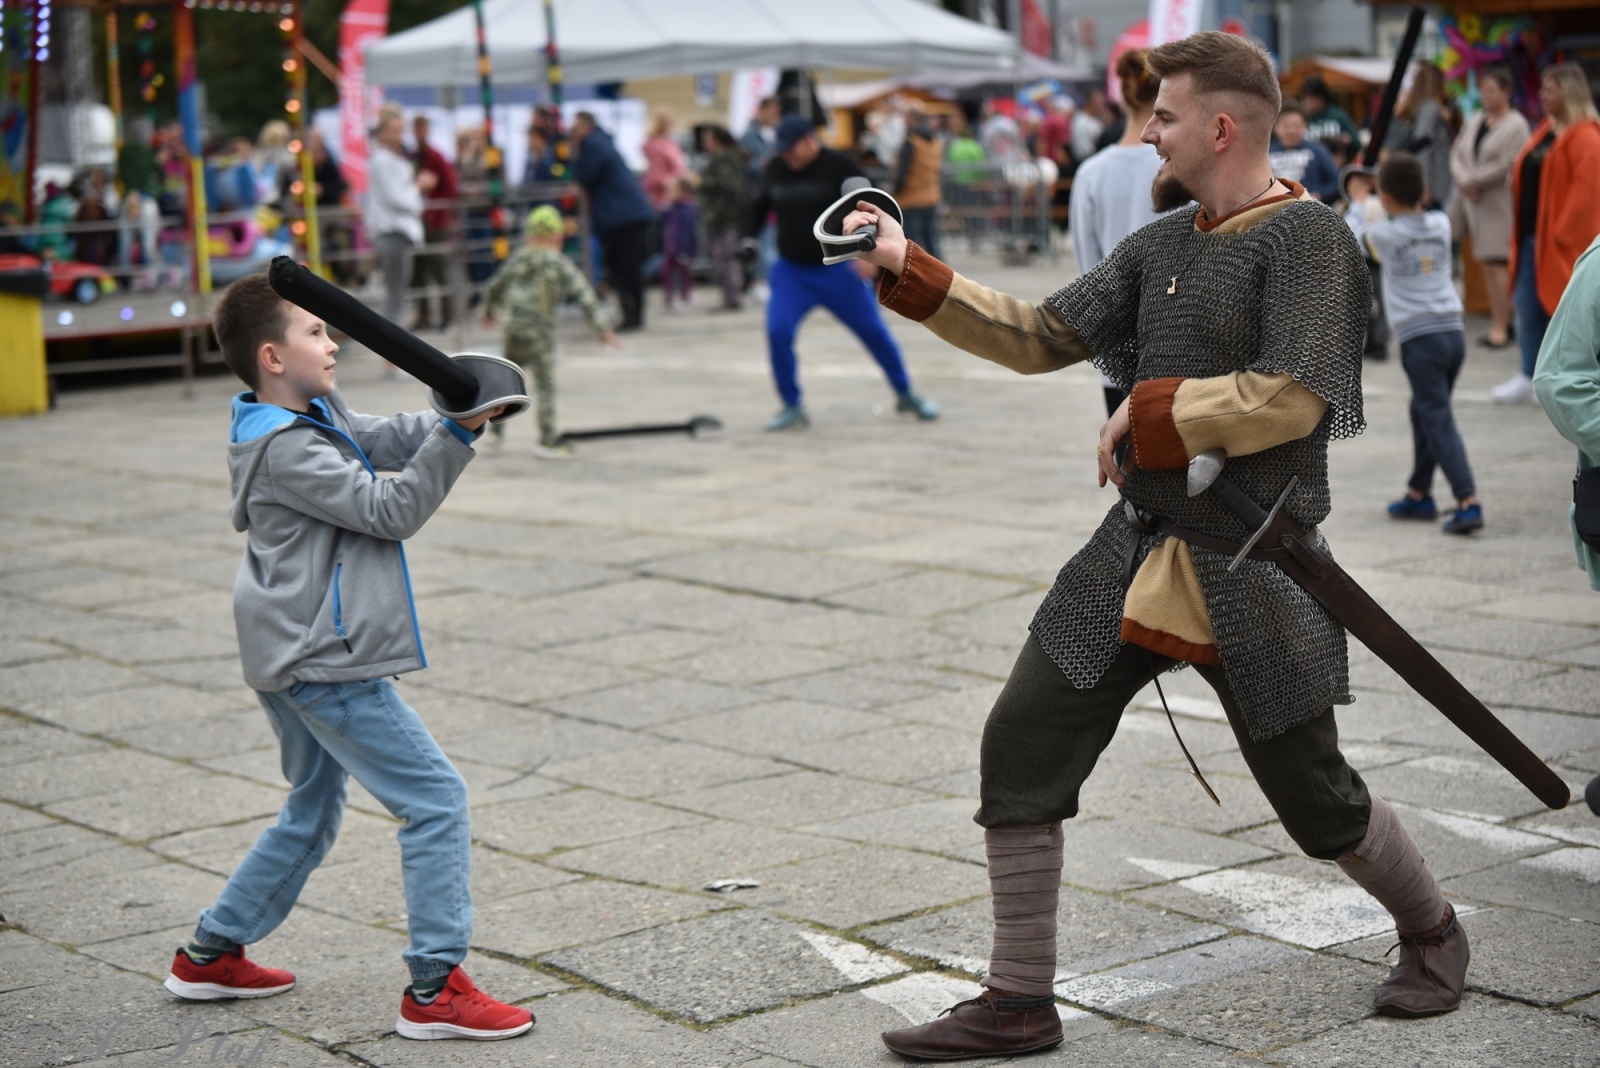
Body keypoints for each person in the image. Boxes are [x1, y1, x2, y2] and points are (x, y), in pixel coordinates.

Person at [846, 32, 1467, 1060]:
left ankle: (1433, 931)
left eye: (1164, 116)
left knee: (1318, 800)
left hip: (1251, 559)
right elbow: (1043, 331)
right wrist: (911, 271)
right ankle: (1017, 1000)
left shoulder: (1309, 240)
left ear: (1219, 126)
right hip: (1135, 550)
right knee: (1021, 743)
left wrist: (1150, 410)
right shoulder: (1165, 238)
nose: (1146, 131)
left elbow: (1294, 395)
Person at [163, 273, 531, 1041]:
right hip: (323, 658)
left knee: (312, 808)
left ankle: (211, 950)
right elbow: (387, 511)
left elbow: (382, 437)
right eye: (315, 333)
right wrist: (458, 438)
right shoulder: (284, 449)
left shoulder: (310, 414)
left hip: (288, 648)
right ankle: (434, 991)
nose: (332, 343)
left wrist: (453, 403)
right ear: (272, 356)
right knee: (435, 800)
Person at [747, 114, 938, 431]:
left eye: (791, 148)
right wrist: (747, 238)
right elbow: (757, 208)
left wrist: (869, 252)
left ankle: (906, 393)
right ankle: (791, 406)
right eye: (782, 150)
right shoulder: (776, 169)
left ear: (810, 140)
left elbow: (871, 208)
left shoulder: (840, 166)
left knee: (874, 333)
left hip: (839, 271)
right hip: (792, 271)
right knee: (778, 332)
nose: (787, 155)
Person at [1346, 155, 1482, 534]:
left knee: (1435, 415)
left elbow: (1349, 237)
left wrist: (1359, 200)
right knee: (1424, 409)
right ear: (1424, 191)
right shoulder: (1439, 223)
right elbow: (1417, 211)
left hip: (1420, 340)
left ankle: (1467, 499)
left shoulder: (1386, 237)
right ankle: (1419, 492)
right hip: (1452, 335)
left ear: (1385, 197)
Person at [1494, 64, 1600, 405]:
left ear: (1568, 92)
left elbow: (1588, 191)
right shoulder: (1545, 130)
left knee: (1563, 309)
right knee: (1526, 306)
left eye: (1549, 90)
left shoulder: (1585, 135)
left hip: (1557, 242)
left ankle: (1564, 377)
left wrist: (1560, 232)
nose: (1542, 95)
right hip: (1529, 237)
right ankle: (1530, 373)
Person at [1070, 47, 1165, 417]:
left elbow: (1088, 270)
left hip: (1116, 340)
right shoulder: (1179, 168)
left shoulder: (1090, 173)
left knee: (1126, 463)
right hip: (1181, 341)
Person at [482, 205, 620, 455]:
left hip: (512, 329)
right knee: (544, 385)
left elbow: (494, 287)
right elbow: (583, 293)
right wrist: (603, 328)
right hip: (538, 331)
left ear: (528, 236)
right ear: (557, 236)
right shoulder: (558, 262)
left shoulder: (517, 258)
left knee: (506, 383)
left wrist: (488, 312)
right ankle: (547, 439)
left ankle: (495, 432)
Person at [1448, 66, 1530, 350]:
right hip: (1473, 202)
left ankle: (1502, 325)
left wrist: (1472, 179)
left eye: (1491, 90)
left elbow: (1508, 163)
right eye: (1483, 90)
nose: (1486, 96)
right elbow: (1457, 153)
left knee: (1498, 264)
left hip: (1497, 203)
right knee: (1487, 263)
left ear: (1507, 92)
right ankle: (1500, 321)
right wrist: (1462, 178)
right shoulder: (1476, 119)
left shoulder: (1516, 124)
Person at [570, 111, 655, 332]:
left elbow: (583, 176)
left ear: (587, 126)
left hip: (620, 217)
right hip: (626, 214)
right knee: (628, 267)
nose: (574, 131)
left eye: (577, 126)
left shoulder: (593, 145)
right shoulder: (602, 142)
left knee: (624, 268)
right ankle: (633, 314)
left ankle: (633, 316)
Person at [365, 105, 435, 356]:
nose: (397, 135)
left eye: (399, 130)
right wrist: (418, 186)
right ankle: (391, 357)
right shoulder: (382, 161)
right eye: (392, 130)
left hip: (399, 234)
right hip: (393, 233)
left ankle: (392, 357)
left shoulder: (390, 160)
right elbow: (399, 200)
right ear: (382, 133)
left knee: (397, 296)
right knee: (395, 298)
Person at [409, 114, 459, 332]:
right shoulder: (411, 156)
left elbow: (450, 188)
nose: (419, 133)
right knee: (418, 270)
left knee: (440, 269)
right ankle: (424, 315)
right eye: (416, 129)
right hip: (416, 221)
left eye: (422, 129)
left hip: (435, 222)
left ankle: (448, 316)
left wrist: (437, 210)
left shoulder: (436, 157)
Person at [1384, 62, 1454, 210]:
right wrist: (1424, 184)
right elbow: (1422, 146)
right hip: (1434, 184)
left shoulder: (1419, 108)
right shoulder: (1430, 107)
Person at [698, 125, 747, 311]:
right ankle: (728, 297)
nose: (704, 143)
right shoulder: (719, 159)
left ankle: (732, 298)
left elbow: (730, 188)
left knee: (727, 258)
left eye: (707, 138)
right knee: (721, 259)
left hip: (726, 217)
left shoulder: (726, 159)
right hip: (718, 217)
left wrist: (704, 183)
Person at [893, 106, 944, 261]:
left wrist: (894, 191)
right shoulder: (935, 141)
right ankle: (943, 280)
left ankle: (917, 280)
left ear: (912, 119)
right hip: (932, 196)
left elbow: (902, 173)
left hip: (911, 198)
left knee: (912, 246)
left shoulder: (911, 142)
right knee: (932, 242)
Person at [1269, 101, 1340, 202]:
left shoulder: (1318, 151)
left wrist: (1320, 195)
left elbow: (1336, 182)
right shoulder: (1267, 155)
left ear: (1304, 126)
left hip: (1313, 209)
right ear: (1276, 128)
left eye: (1296, 125)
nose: (1291, 130)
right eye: (1286, 126)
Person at [659, 176, 699, 311]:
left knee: (683, 275)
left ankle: (685, 298)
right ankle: (669, 298)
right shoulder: (671, 208)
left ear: (683, 192)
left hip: (682, 248)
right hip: (670, 248)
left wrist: (687, 250)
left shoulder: (688, 209)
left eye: (671, 191)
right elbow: (660, 221)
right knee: (666, 273)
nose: (667, 195)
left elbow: (689, 231)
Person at [1301, 74, 1361, 156]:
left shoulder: (1338, 116)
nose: (1311, 101)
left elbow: (1356, 142)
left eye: (1315, 97)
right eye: (1308, 97)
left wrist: (1346, 140)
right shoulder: (1301, 118)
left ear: (1323, 97)